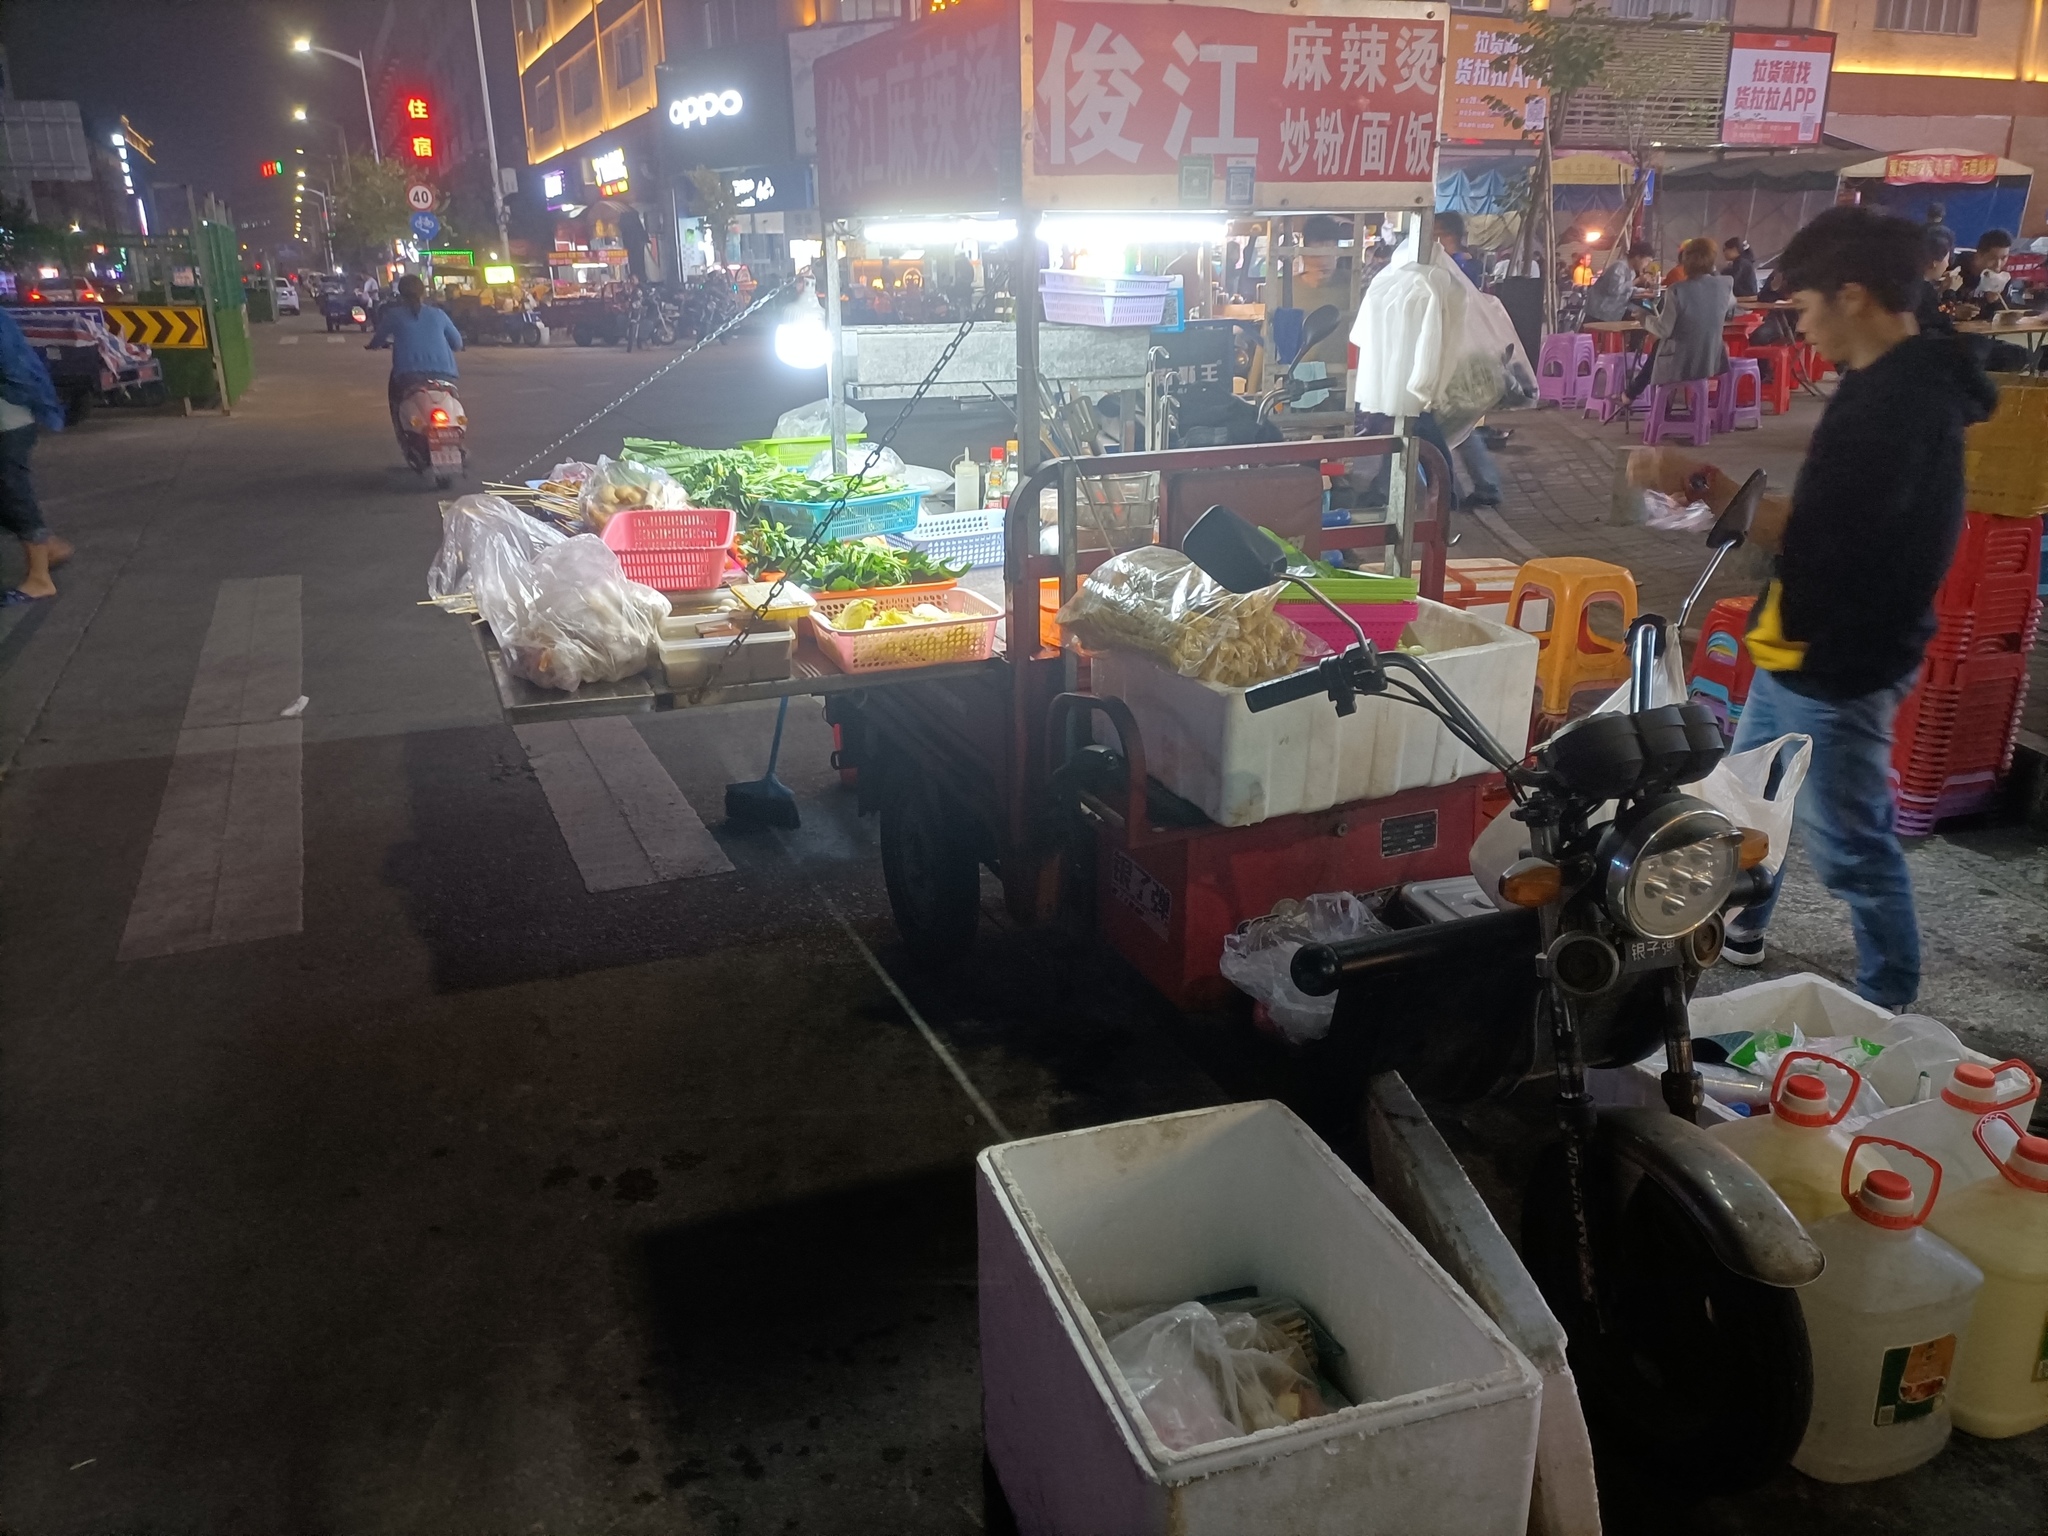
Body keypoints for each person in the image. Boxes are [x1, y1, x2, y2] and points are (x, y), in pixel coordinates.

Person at [1630, 205, 1997, 1007]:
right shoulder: (1895, 382)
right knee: (1753, 801)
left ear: (1854, 295)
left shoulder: (1898, 407)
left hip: (1844, 658)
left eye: (1804, 307)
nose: (1799, 325)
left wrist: (1698, 479)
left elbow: (1818, 534)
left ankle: (1886, 999)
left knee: (1851, 844)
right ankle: (1746, 927)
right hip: (1808, 643)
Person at [0, 304, 68, 603]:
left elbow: (11, 367)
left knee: (14, 493)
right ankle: (48, 546)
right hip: (12, 420)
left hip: (8, 423)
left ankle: (40, 579)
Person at [1632, 236, 1736, 399]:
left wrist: (1643, 318)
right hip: (1712, 359)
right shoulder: (1726, 284)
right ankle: (1631, 394)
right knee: (1661, 346)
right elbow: (1730, 306)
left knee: (1659, 346)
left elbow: (1663, 330)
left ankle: (1634, 396)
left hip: (1681, 361)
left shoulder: (1677, 290)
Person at [367, 273, 464, 442]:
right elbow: (457, 343)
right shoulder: (438, 314)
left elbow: (379, 338)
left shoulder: (394, 315)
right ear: (423, 292)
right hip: (445, 374)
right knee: (451, 400)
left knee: (398, 400)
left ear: (400, 293)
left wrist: (373, 345)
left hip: (408, 375)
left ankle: (406, 434)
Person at [1582, 240, 1655, 323]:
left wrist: (1646, 291)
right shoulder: (1619, 267)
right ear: (1637, 257)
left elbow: (1628, 289)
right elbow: (1615, 290)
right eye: (1647, 261)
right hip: (1599, 312)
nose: (1646, 265)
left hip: (1612, 312)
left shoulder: (1631, 271)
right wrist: (1637, 281)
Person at [1432, 211, 1484, 287]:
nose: (1431, 240)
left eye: (1435, 235)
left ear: (1450, 236)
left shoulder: (1464, 264)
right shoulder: (1438, 260)